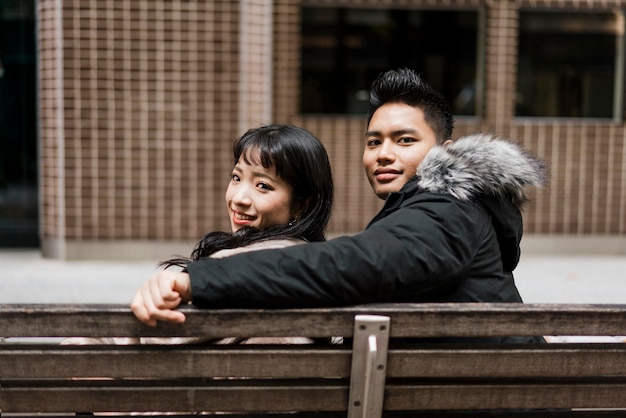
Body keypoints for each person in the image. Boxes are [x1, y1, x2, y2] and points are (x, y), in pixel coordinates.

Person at [131, 68, 548, 343]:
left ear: (445, 150)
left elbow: (354, 262)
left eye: (404, 140)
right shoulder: (450, 211)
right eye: (373, 141)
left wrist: (197, 279)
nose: (383, 153)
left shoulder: (446, 211)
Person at [65, 124, 334, 346]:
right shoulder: (308, 265)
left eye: (262, 185)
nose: (238, 198)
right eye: (237, 178)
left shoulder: (260, 265)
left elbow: (162, 337)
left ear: (302, 205)